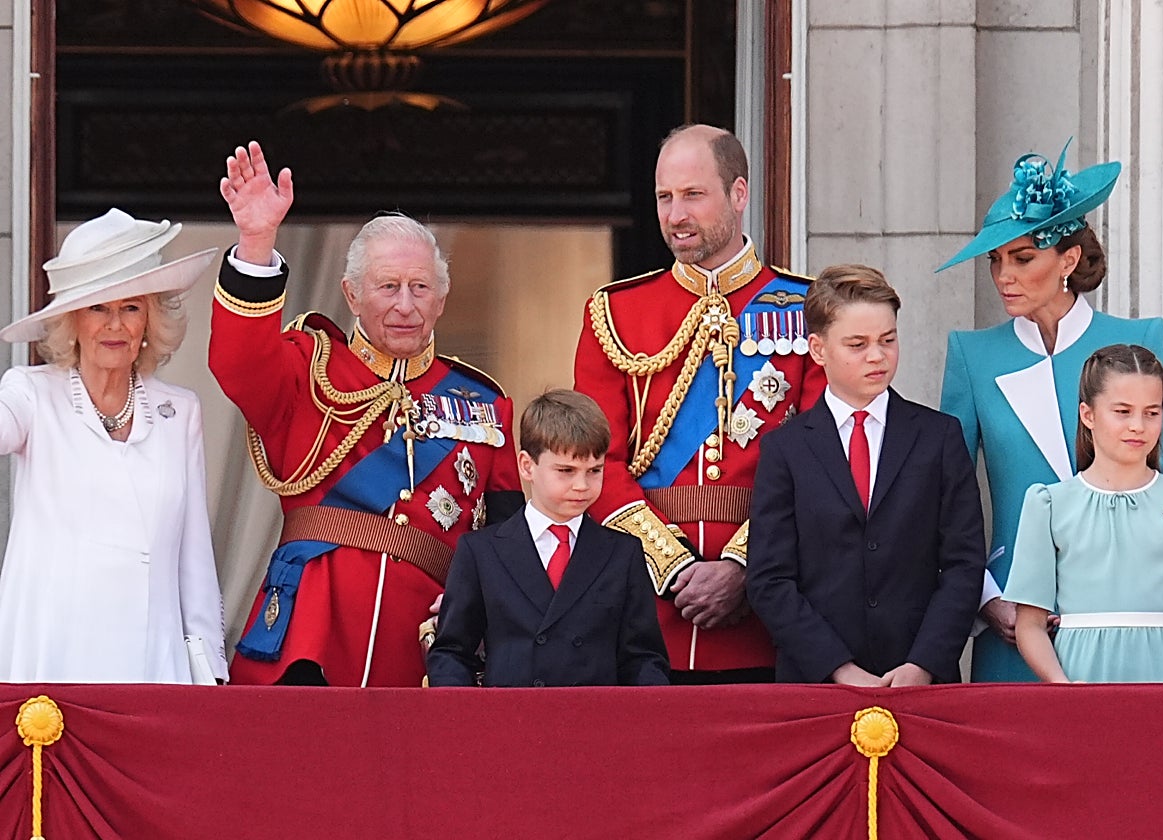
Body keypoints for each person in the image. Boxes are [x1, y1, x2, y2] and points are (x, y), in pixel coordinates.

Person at [211, 141, 523, 687]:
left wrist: (479, 606)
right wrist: (257, 243)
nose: (405, 305)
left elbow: (507, 541)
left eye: (420, 287)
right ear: (351, 296)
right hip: (308, 643)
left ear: (441, 298)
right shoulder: (307, 370)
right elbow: (238, 362)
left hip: (426, 653)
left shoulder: (484, 405)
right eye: (387, 287)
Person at [573, 124, 826, 682]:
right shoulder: (615, 313)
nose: (676, 214)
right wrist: (673, 565)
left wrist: (742, 565)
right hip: (647, 611)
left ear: (739, 194)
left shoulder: (811, 309)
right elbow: (593, 462)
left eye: (693, 195)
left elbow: (819, 462)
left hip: (770, 611)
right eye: (664, 197)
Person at [937, 140, 1163, 682]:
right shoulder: (973, 355)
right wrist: (986, 596)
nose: (1003, 275)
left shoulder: (1137, 341)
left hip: (1124, 623)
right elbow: (947, 499)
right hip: (1014, 615)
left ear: (1068, 260)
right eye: (995, 260)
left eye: (1023, 258)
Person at [0, 208, 226, 684]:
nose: (115, 325)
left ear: (150, 320)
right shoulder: (31, 394)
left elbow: (194, 561)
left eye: (131, 307)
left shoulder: (178, 411)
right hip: (53, 666)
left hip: (153, 667)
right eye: (98, 308)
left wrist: (210, 673)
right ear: (72, 321)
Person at [746, 265, 984, 685]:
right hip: (815, 683)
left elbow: (964, 565)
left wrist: (923, 664)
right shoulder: (785, 449)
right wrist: (838, 669)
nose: (877, 356)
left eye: (888, 340)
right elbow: (769, 578)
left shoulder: (939, 437)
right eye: (857, 344)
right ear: (818, 349)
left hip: (921, 680)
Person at [427, 389, 669, 687]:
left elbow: (643, 658)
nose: (582, 485)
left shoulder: (623, 552)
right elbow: (452, 652)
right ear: (527, 466)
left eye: (594, 470)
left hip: (596, 714)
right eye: (566, 470)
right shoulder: (481, 551)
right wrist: (464, 712)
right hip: (512, 714)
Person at [1005, 345, 1163, 683]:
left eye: (1152, 412)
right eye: (1123, 411)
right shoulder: (1049, 504)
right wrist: (1063, 687)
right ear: (1088, 415)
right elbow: (1030, 624)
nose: (1138, 425)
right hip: (1078, 681)